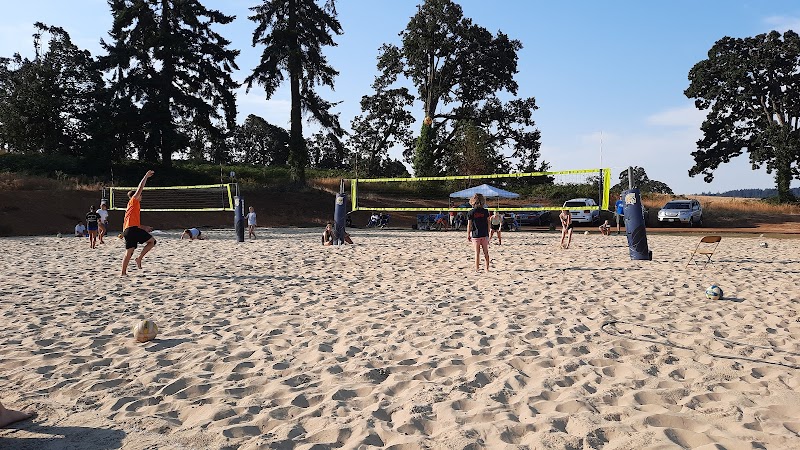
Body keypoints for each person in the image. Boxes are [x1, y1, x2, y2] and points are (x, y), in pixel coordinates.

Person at [121, 170, 157, 276]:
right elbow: (140, 187)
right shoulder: (134, 200)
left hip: (127, 230)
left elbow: (134, 224)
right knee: (152, 242)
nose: (141, 196)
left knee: (128, 252)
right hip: (132, 230)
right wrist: (146, 176)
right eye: (140, 195)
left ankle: (123, 272)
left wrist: (144, 227)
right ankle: (139, 258)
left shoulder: (131, 207)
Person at [467, 193, 491, 272]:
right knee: (485, 252)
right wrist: (488, 233)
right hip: (484, 234)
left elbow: (469, 225)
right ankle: (487, 268)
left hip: (476, 235)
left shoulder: (471, 212)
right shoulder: (485, 211)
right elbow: (488, 223)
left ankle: (477, 268)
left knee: (477, 253)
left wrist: (468, 234)